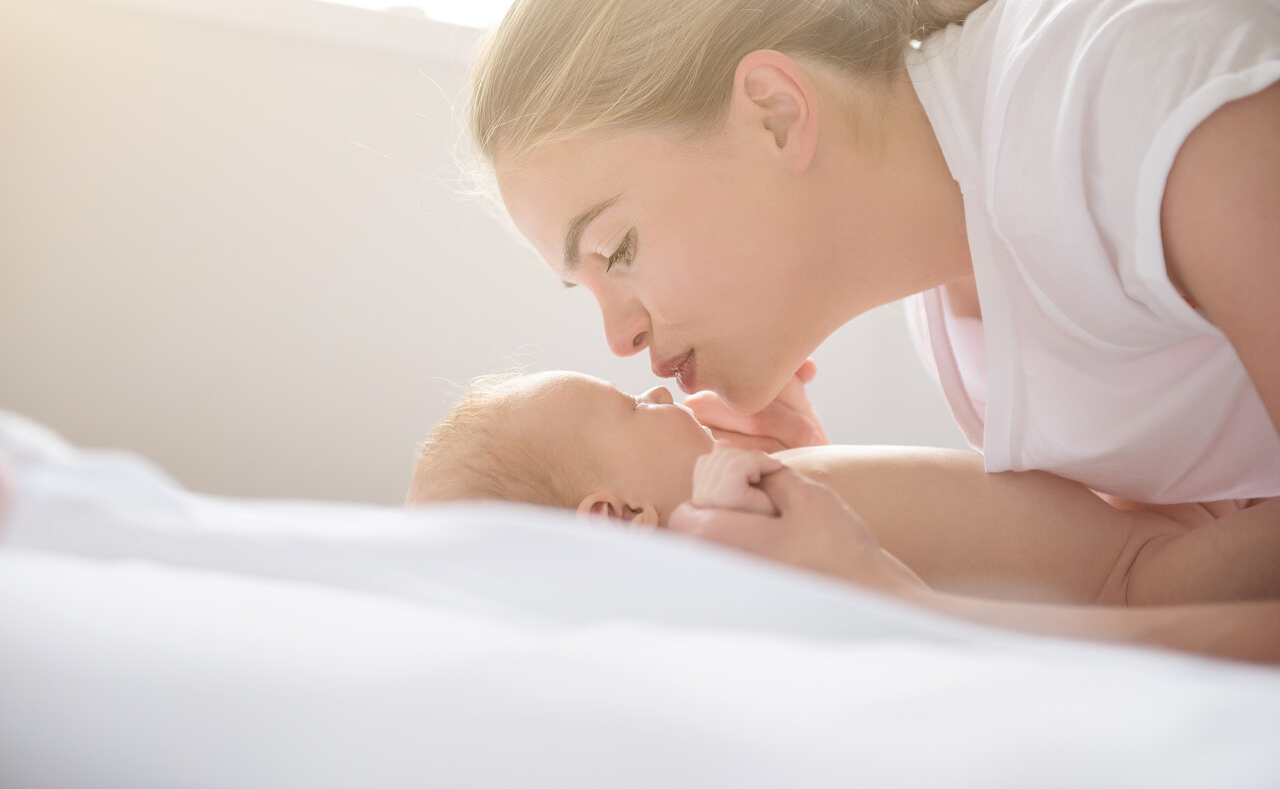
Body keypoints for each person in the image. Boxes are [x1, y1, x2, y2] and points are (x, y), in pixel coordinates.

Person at [464, 0, 1279, 619]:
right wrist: (851, 523)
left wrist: (916, 608)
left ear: (776, 115)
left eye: (620, 249)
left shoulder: (1113, 86)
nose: (618, 337)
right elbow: (1178, 565)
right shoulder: (961, 311)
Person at [408, 370, 1278, 607]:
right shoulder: (711, 538)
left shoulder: (742, 521)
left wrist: (801, 446)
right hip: (1128, 577)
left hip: (1126, 517)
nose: (663, 392)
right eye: (632, 406)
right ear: (615, 520)